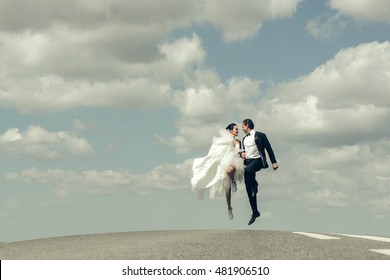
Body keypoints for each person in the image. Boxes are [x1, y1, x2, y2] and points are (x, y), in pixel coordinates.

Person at [191, 123, 244, 220]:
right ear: (231, 130)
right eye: (236, 129)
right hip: (223, 161)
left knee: (229, 170)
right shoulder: (223, 140)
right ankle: (229, 208)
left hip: (234, 160)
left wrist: (240, 152)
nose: (238, 131)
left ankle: (233, 182)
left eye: (238, 129)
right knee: (227, 190)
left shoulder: (238, 141)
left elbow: (238, 150)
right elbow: (215, 150)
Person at [240, 119, 278, 225]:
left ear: (247, 125)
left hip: (258, 161)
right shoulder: (243, 139)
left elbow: (269, 148)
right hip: (248, 162)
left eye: (243, 126)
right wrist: (242, 154)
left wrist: (274, 162)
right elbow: (243, 152)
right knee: (248, 189)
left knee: (248, 171)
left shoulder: (260, 135)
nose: (242, 128)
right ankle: (255, 212)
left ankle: (255, 184)